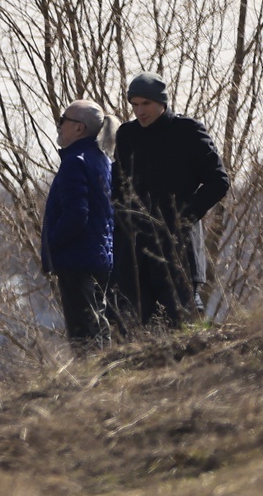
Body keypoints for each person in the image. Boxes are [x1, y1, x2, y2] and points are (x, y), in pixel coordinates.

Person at [110, 74, 230, 330]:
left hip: (178, 253)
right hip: (135, 257)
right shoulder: (127, 135)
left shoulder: (187, 131)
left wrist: (182, 219)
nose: (139, 111)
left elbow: (218, 180)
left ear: (161, 102)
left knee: (182, 331)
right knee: (135, 336)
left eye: (146, 104)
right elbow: (117, 189)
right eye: (134, 105)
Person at [43, 102, 115, 347]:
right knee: (99, 327)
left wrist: (52, 242)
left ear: (79, 128)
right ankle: (108, 379)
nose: (59, 126)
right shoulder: (102, 159)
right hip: (99, 258)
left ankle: (91, 384)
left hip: (77, 260)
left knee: (83, 336)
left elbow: (76, 215)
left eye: (63, 120)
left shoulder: (75, 162)